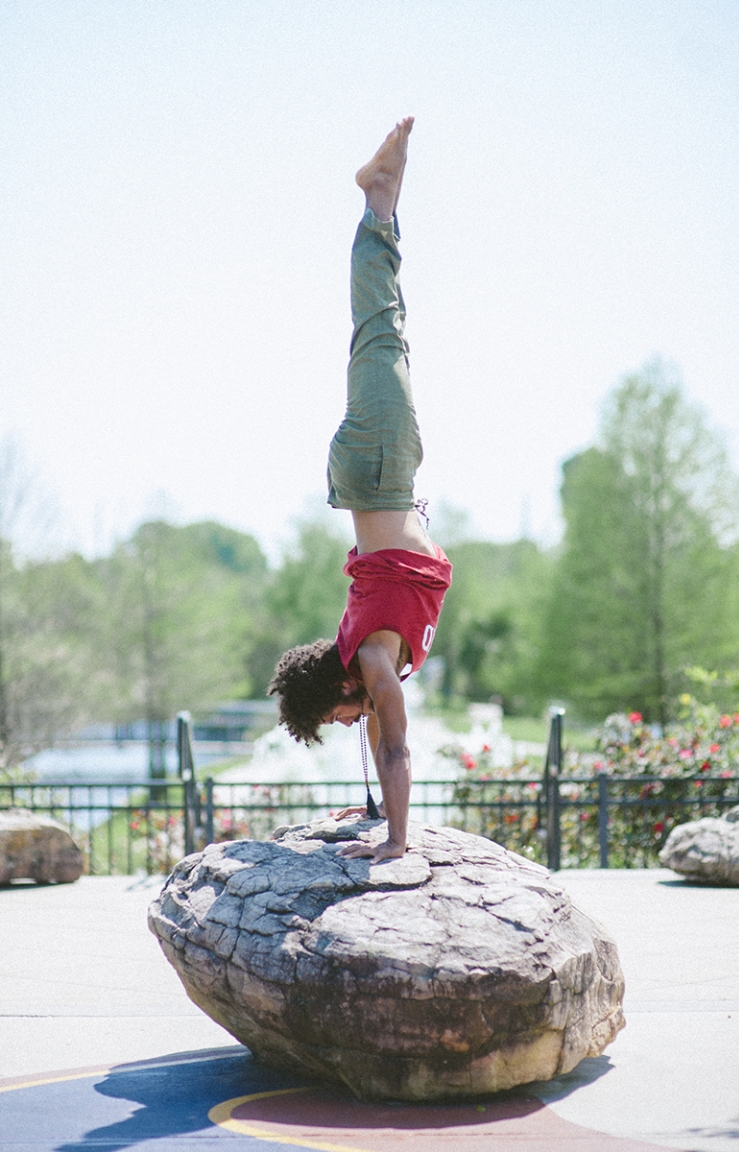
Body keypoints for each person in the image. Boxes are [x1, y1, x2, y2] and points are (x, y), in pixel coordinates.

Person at [268, 118, 452, 863]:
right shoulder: (371, 668)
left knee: (380, 328)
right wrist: (377, 814)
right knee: (387, 335)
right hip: (385, 475)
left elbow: (399, 748)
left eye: (339, 717)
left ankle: (379, 200)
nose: (351, 724)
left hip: (378, 469)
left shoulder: (374, 664)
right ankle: (383, 202)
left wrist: (399, 846)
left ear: (340, 689)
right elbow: (383, 746)